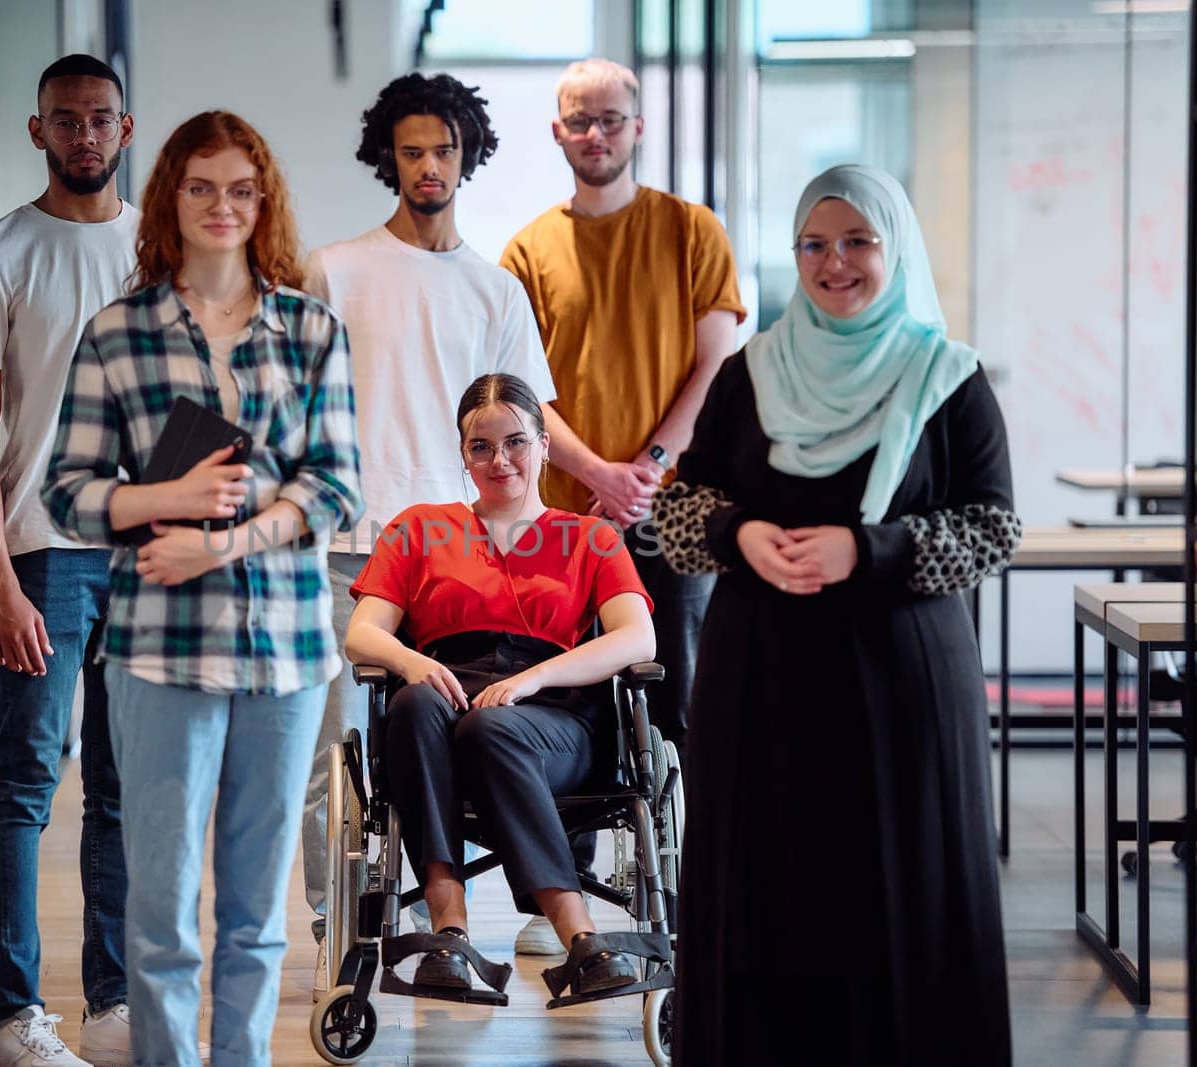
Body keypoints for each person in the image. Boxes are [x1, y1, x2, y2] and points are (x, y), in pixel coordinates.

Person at [655, 164, 1018, 1065]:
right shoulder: (751, 374)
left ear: (894, 249)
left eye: (858, 241)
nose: (835, 262)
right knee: (767, 896)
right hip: (762, 690)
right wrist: (739, 533)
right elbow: (678, 509)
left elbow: (994, 525)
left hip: (900, 693)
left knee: (900, 895)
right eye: (814, 244)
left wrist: (873, 549)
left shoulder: (946, 378)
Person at [42, 110, 362, 1066]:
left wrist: (228, 541)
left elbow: (336, 481)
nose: (223, 206)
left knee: (260, 913)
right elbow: (66, 491)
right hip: (159, 654)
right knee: (163, 908)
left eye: (241, 189)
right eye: (201, 187)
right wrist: (168, 497)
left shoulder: (312, 330)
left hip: (289, 652)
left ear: (263, 204)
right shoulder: (118, 334)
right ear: (170, 200)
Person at [300, 72, 557, 973]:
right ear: (389, 158)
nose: (428, 165)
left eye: (443, 148)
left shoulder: (496, 291)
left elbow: (524, 435)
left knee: (443, 737)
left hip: (457, 560)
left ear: (468, 155)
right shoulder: (334, 269)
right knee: (331, 752)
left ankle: (464, 911)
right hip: (345, 548)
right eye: (411, 150)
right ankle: (340, 938)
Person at [0, 53, 135, 1067]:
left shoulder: (167, 247)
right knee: (23, 782)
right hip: (45, 553)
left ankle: (113, 1001)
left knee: (124, 784)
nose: (85, 137)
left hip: (147, 556)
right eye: (67, 120)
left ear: (126, 129)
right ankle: (13, 1016)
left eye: (101, 120)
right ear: (38, 131)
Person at [346, 373, 655, 994]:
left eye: (515, 442)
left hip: (556, 719)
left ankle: (578, 932)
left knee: (492, 725)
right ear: (463, 455)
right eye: (480, 447)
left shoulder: (589, 537)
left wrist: (530, 680)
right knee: (411, 702)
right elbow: (363, 633)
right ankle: (450, 933)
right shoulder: (419, 528)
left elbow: (636, 639)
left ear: (544, 445)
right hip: (446, 698)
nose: (499, 460)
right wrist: (411, 661)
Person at [501, 57, 746, 753]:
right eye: (580, 120)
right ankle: (568, 865)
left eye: (610, 119)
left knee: (684, 702)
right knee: (563, 706)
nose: (596, 134)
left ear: (637, 127)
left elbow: (716, 363)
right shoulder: (526, 252)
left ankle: (696, 863)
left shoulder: (692, 230)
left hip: (676, 509)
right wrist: (601, 474)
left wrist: (648, 465)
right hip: (563, 516)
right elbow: (521, 388)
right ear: (558, 131)